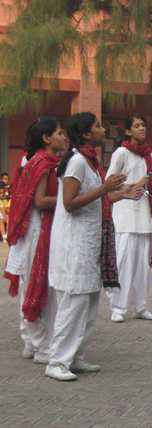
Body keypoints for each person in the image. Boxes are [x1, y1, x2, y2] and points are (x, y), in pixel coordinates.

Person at [46, 112, 142, 381]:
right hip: (74, 244)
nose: (103, 129)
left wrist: (120, 194)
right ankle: (57, 361)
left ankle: (75, 356)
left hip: (90, 242)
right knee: (74, 303)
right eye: (98, 126)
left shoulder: (90, 162)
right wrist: (105, 189)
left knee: (88, 303)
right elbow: (69, 203)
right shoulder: (76, 162)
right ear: (86, 134)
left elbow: (94, 199)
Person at [3, 117, 67, 364]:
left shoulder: (43, 162)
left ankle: (33, 342)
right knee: (37, 286)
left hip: (37, 229)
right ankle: (40, 346)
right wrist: (70, 199)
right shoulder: (41, 163)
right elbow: (39, 201)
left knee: (35, 286)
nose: (63, 137)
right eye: (59, 133)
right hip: (36, 230)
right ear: (46, 138)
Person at [106, 113, 152, 323]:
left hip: (144, 217)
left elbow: (151, 186)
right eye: (137, 126)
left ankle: (140, 307)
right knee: (123, 265)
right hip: (125, 217)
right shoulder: (121, 153)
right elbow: (109, 184)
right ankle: (117, 308)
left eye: (143, 125)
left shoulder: (148, 155)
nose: (142, 129)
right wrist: (135, 185)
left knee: (142, 268)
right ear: (128, 131)